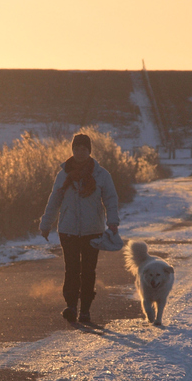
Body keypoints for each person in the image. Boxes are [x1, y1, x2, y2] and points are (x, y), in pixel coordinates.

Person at [40, 133, 119, 323]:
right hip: (68, 229)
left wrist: (113, 221)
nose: (80, 152)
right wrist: (46, 223)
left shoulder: (101, 175)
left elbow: (111, 199)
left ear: (89, 151)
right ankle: (71, 306)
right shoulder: (64, 174)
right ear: (72, 150)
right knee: (72, 268)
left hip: (93, 230)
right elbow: (54, 200)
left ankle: (85, 310)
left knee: (89, 270)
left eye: (83, 149)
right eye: (76, 149)